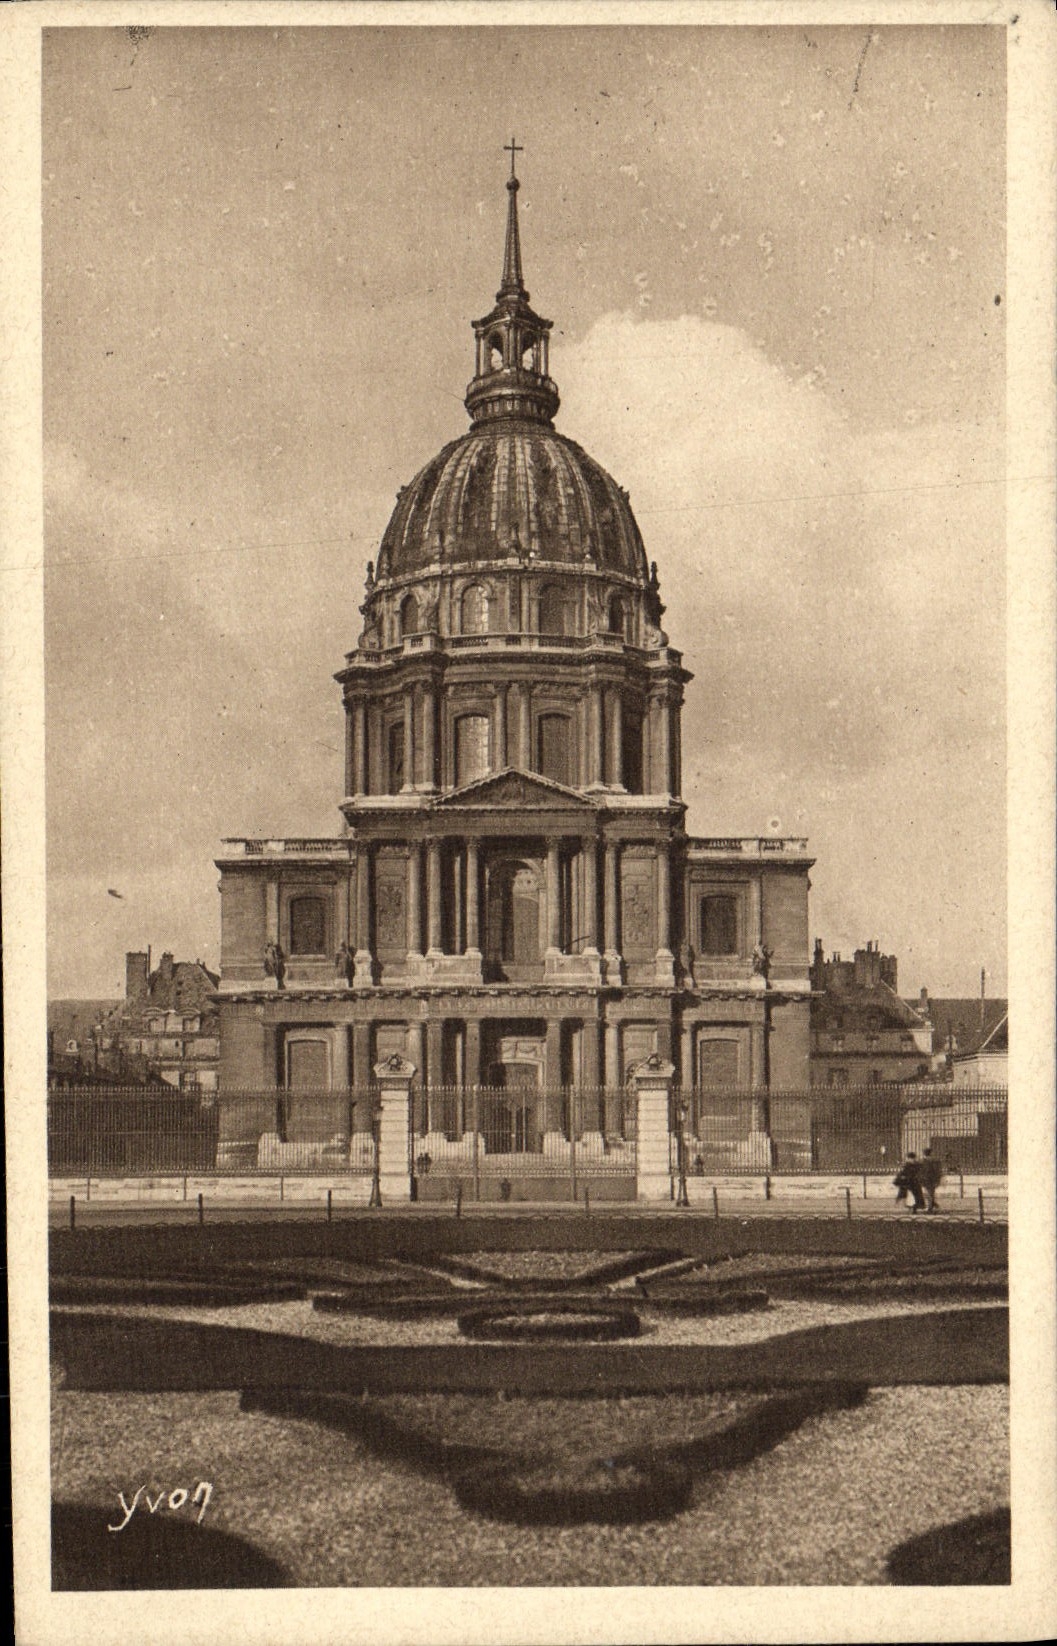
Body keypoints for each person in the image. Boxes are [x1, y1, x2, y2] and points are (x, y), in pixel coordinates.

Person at [920, 1147, 943, 1213]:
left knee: (928, 1193)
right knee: (931, 1193)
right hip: (933, 1179)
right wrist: (938, 1179)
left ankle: (930, 1208)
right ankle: (933, 1205)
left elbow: (921, 1171)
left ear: (924, 1153)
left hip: (926, 1179)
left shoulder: (922, 1161)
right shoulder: (936, 1160)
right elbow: (939, 1171)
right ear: (931, 1153)